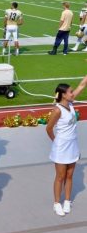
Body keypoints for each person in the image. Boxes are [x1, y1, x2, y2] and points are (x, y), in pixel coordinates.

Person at [46, 77, 87, 216]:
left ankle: (67, 201)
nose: (72, 93)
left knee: (70, 175)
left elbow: (82, 84)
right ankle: (57, 203)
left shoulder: (70, 102)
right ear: (63, 94)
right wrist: (56, 142)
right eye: (70, 92)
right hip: (61, 147)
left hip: (73, 145)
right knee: (60, 176)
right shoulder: (57, 110)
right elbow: (49, 128)